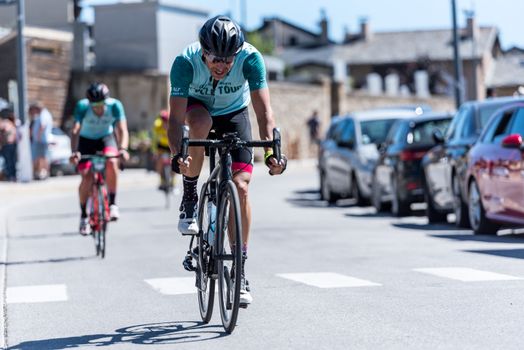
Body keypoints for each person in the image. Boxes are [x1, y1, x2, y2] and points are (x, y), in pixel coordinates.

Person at [167, 15, 287, 306]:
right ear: (203, 52)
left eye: (228, 60)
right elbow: (174, 120)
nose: (221, 66)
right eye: (215, 59)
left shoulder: (251, 59)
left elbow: (264, 113)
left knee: (242, 188)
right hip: (199, 110)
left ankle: (240, 268)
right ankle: (190, 195)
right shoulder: (185, 63)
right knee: (199, 122)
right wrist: (177, 156)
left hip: (235, 115)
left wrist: (272, 153)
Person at [69, 83, 130, 236]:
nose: (98, 109)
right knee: (87, 176)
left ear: (106, 101)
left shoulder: (115, 106)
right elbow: (75, 129)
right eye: (94, 105)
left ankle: (113, 203)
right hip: (85, 141)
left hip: (105, 138)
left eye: (101, 105)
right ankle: (84, 215)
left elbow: (122, 129)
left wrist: (122, 149)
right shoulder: (82, 107)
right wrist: (74, 152)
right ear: (89, 103)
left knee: (112, 161)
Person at [151, 110, 176, 190]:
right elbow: (154, 139)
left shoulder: (173, 125)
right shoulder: (157, 125)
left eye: (167, 122)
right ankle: (161, 180)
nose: (165, 125)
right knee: (159, 161)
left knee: (174, 162)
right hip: (161, 145)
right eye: (164, 122)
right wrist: (154, 151)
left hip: (171, 144)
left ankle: (172, 181)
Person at [29, 101, 53, 180]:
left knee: (41, 157)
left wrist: (38, 137)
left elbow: (42, 126)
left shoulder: (44, 115)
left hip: (41, 140)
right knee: (41, 157)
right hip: (41, 140)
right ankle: (40, 173)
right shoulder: (43, 114)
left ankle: (43, 173)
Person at [0, 108, 17, 182]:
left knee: (8, 161)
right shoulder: (11, 123)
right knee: (11, 161)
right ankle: (12, 175)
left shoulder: (5, 122)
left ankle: (10, 176)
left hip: (8, 145)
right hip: (12, 144)